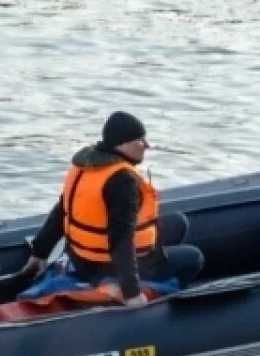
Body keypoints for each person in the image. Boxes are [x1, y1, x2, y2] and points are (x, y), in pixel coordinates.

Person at [22, 110, 203, 308]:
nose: (147, 145)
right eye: (140, 140)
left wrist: (39, 252)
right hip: (105, 265)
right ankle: (149, 299)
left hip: (81, 257)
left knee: (178, 223)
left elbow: (61, 211)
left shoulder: (85, 166)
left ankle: (129, 278)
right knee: (193, 257)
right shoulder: (122, 181)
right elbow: (121, 240)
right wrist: (131, 292)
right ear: (123, 144)